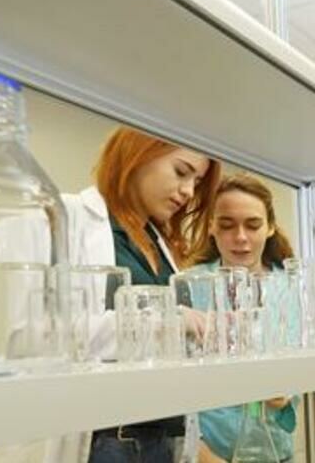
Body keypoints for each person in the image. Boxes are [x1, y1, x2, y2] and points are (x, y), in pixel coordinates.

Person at [73, 127, 221, 463]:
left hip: (163, 438)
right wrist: (170, 320)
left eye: (196, 181)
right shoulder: (76, 219)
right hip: (108, 439)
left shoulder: (158, 242)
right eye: (181, 172)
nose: (188, 191)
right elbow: (56, 336)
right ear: (138, 154)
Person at [186, 174, 299, 463]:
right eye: (227, 225)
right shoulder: (188, 286)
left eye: (253, 225)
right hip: (208, 454)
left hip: (274, 451)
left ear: (270, 227)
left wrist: (286, 393)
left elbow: (302, 368)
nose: (240, 237)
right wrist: (198, 453)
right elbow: (171, 385)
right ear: (211, 226)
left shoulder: (291, 289)